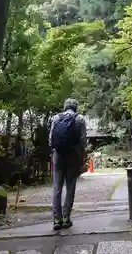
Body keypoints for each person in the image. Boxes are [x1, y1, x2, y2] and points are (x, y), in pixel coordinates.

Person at [49, 98, 87, 231]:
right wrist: (81, 159)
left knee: (57, 188)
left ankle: (56, 220)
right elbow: (83, 142)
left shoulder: (56, 118)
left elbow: (50, 141)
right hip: (73, 156)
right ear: (75, 107)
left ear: (65, 107)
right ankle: (66, 218)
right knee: (70, 187)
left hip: (58, 155)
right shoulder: (80, 119)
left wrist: (54, 154)